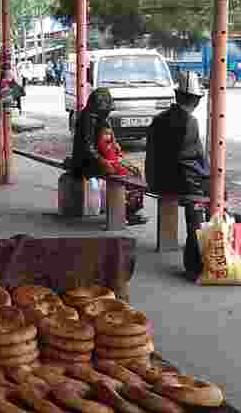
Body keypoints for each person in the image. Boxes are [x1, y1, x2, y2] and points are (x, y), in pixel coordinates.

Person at [145, 70, 211, 280]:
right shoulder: (189, 122)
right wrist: (205, 183)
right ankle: (198, 261)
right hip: (179, 182)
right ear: (195, 100)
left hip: (157, 179)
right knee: (212, 198)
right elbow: (191, 160)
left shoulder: (159, 119)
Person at [70, 88, 148, 225]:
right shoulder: (88, 119)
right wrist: (104, 161)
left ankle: (130, 210)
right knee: (127, 176)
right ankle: (126, 213)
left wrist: (116, 146)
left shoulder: (98, 117)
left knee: (135, 171)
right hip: (86, 163)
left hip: (99, 158)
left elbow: (109, 139)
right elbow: (88, 148)